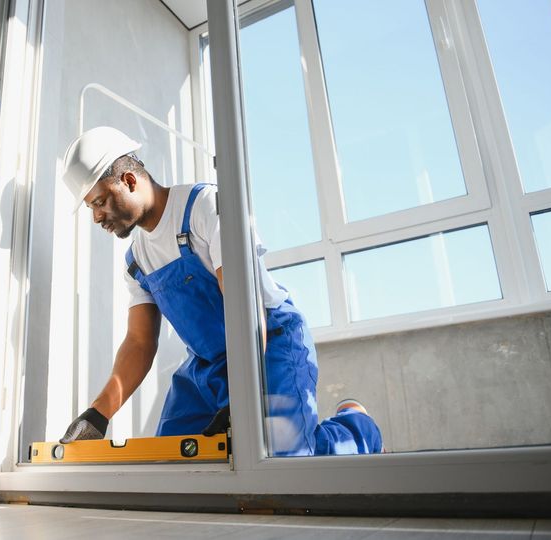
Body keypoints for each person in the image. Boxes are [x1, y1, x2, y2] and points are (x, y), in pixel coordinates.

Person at [58, 126, 382, 456]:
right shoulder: (137, 260)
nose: (97, 216)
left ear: (128, 180)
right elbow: (140, 341)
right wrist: (98, 414)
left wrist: (243, 393)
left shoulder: (205, 207)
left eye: (99, 202)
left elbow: (244, 303)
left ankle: (357, 427)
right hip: (208, 365)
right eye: (91, 208)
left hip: (270, 343)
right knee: (169, 462)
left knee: (281, 460)